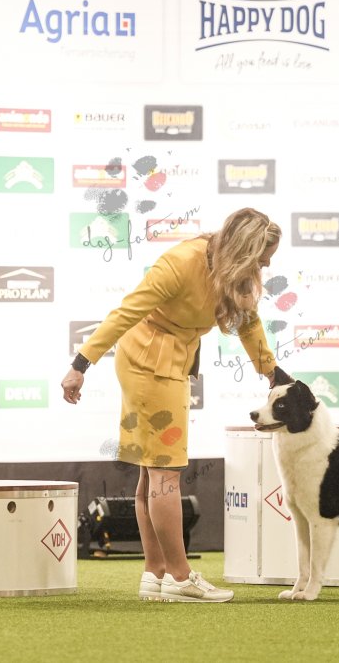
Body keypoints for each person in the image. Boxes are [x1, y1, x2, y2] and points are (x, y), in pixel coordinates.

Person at [60, 207, 283, 603]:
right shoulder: (180, 263)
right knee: (166, 473)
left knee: (152, 475)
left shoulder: (233, 271)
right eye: (262, 258)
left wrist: (272, 371)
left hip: (167, 362)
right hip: (149, 364)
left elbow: (249, 323)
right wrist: (80, 364)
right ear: (243, 249)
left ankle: (156, 572)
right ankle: (181, 577)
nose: (265, 265)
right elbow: (126, 313)